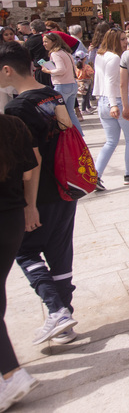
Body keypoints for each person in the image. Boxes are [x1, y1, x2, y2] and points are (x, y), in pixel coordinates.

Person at [0, 42, 81, 345]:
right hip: (65, 186)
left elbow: (31, 163)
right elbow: (64, 128)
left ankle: (56, 308)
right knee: (60, 254)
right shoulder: (53, 94)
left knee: (25, 251)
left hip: (41, 192)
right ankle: (65, 318)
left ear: (8, 69)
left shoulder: (16, 109)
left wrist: (29, 205)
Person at [0, 112, 42, 406]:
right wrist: (30, 205)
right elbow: (28, 172)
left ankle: (11, 373)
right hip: (12, 219)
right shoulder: (11, 126)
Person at [94, 29, 129, 188]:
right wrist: (114, 104)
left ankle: (96, 175)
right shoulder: (114, 58)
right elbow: (110, 81)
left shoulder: (101, 55)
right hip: (117, 101)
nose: (125, 42)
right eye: (122, 39)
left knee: (111, 141)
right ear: (114, 40)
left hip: (103, 100)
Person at [39, 33, 83, 135]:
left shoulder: (55, 54)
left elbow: (61, 69)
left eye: (46, 41)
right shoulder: (66, 52)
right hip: (72, 84)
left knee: (60, 113)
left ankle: (66, 136)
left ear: (54, 42)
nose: (44, 44)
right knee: (71, 113)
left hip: (62, 85)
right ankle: (79, 135)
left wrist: (48, 71)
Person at [22, 20, 50, 88]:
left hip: (41, 69)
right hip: (55, 67)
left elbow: (28, 57)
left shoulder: (30, 41)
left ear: (34, 30)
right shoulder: (53, 36)